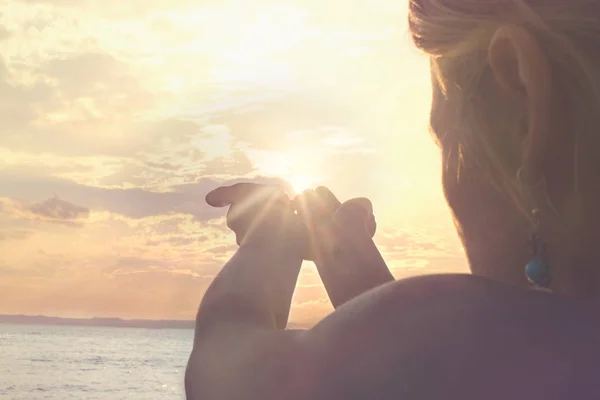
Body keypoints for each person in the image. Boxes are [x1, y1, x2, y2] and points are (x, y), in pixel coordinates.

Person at [185, 1, 600, 398]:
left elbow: (222, 369)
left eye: (445, 140)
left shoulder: (475, 339)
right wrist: (344, 251)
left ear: (522, 107)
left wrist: (268, 233)